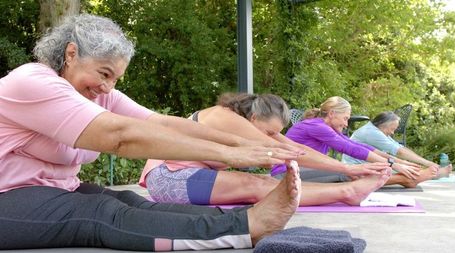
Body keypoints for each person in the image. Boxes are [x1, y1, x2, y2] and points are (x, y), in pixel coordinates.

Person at [0, 14, 305, 251]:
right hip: (7, 200)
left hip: (52, 192)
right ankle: (246, 227)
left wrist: (245, 143)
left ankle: (240, 218)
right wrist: (228, 154)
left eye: (116, 78)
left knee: (132, 201)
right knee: (99, 211)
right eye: (104, 73)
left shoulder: (99, 94)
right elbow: (119, 136)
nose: (108, 87)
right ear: (70, 54)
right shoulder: (32, 82)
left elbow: (161, 123)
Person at [140, 93, 391, 207]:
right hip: (168, 179)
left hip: (187, 178)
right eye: (269, 130)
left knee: (261, 182)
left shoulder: (247, 121)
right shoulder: (226, 117)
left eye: (275, 131)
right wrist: (347, 168)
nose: (272, 136)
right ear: (255, 116)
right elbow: (282, 148)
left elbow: (293, 146)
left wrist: (349, 167)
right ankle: (347, 192)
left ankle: (346, 189)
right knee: (256, 185)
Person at [284, 96, 438, 188]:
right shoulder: (317, 126)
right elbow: (350, 148)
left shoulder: (324, 126)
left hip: (300, 170)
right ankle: (404, 180)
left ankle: (405, 179)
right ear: (331, 114)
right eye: (345, 118)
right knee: (349, 171)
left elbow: (359, 146)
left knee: (352, 170)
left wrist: (396, 162)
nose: (346, 124)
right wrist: (394, 165)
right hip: (285, 174)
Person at [342, 111, 452, 181]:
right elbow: (400, 152)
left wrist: (407, 163)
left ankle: (430, 172)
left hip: (367, 166)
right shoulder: (372, 133)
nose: (393, 133)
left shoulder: (377, 130)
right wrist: (428, 163)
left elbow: (397, 151)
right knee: (405, 172)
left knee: (405, 167)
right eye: (392, 129)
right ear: (383, 126)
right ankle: (432, 173)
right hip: (357, 169)